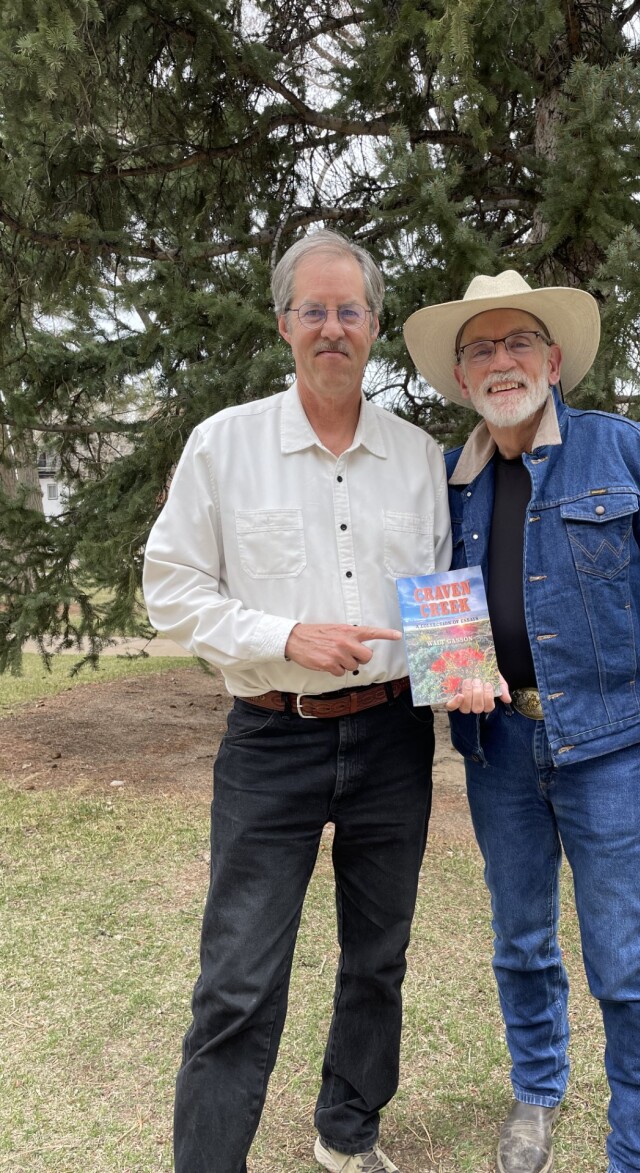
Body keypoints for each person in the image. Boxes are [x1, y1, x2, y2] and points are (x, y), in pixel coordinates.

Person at [403, 271, 640, 1173]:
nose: (500, 360)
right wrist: (453, 670)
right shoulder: (451, 483)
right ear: (461, 375)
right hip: (497, 751)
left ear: (553, 361)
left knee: (623, 959)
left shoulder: (633, 457)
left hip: (612, 748)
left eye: (517, 341)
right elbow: (439, 606)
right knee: (519, 941)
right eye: (479, 348)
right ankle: (537, 1089)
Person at [143, 229, 451, 1173]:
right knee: (238, 977)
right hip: (273, 738)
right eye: (312, 310)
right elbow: (172, 592)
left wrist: (463, 676)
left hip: (397, 736)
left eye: (348, 310)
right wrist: (284, 635)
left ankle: (347, 1131)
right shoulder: (222, 446)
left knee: (379, 958)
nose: (331, 327)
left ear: (374, 326)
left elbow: (441, 598)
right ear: (284, 324)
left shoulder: (417, 456)